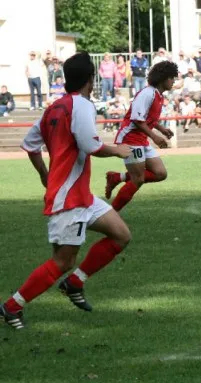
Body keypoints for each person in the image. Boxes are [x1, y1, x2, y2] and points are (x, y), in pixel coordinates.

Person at [0, 52, 132, 330]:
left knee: (121, 235)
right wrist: (118, 150)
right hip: (69, 199)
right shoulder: (82, 105)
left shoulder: (54, 108)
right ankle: (11, 307)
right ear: (90, 80)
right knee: (62, 261)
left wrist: (44, 175)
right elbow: (90, 145)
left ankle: (75, 283)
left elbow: (30, 145)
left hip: (80, 196)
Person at [104, 61, 179, 211]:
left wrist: (161, 129)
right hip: (130, 138)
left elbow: (148, 118)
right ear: (163, 78)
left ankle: (117, 177)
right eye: (171, 78)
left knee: (160, 173)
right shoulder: (147, 93)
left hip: (141, 139)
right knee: (138, 179)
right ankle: (111, 213)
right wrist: (155, 137)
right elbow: (137, 119)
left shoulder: (158, 95)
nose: (173, 81)